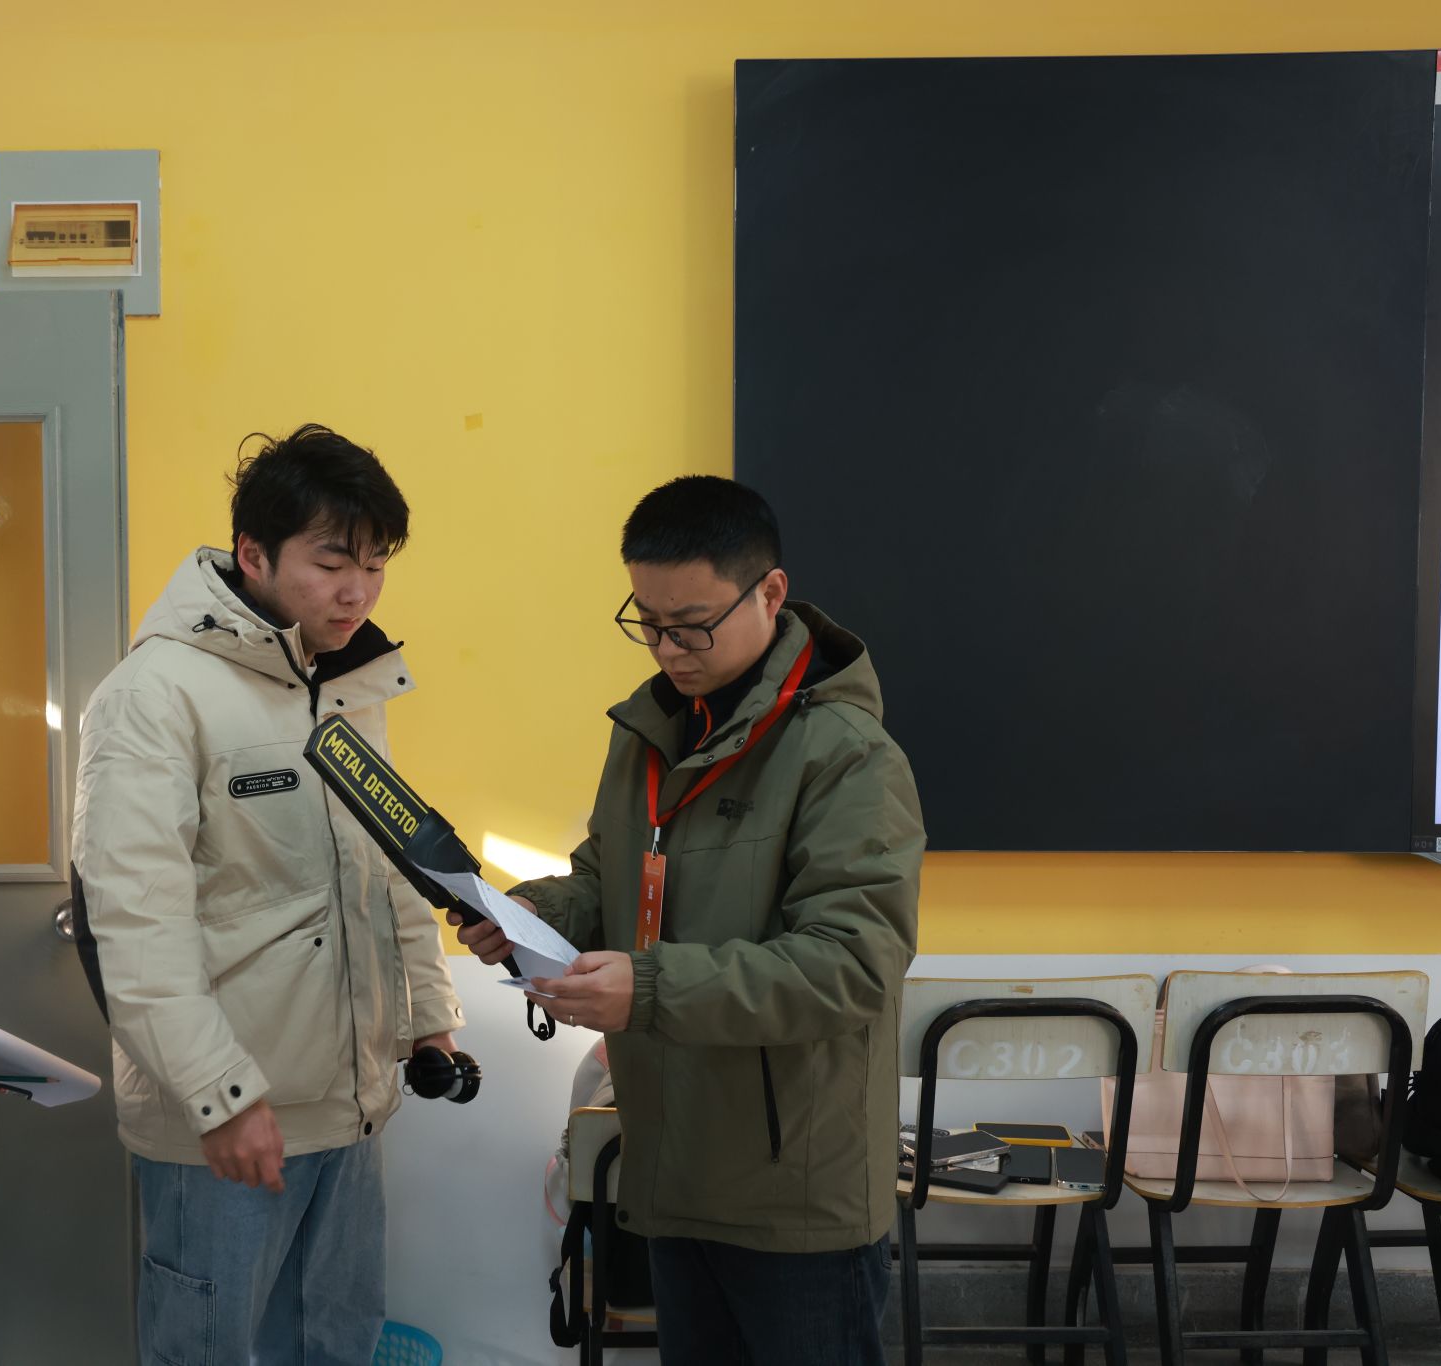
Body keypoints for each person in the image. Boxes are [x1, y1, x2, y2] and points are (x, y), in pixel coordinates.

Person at [461, 475, 924, 1364]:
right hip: (672, 1170)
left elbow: (853, 964)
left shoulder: (846, 754)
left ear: (771, 593)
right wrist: (532, 913)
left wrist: (648, 987)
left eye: (693, 624)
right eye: (648, 622)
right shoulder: (651, 732)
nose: (669, 649)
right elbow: (610, 875)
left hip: (796, 1197)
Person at [73, 423, 466, 1364]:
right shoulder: (154, 694)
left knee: (336, 1345)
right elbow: (134, 922)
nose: (357, 590)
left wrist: (428, 1018)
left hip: (350, 1107)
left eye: (375, 564)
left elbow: (389, 864)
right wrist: (221, 1096)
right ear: (253, 554)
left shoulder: (348, 682)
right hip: (227, 1125)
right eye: (331, 562)